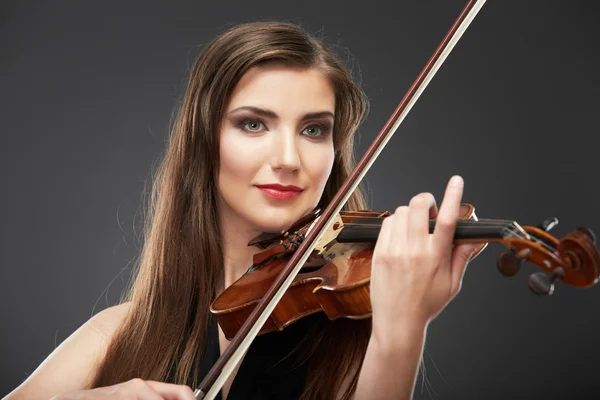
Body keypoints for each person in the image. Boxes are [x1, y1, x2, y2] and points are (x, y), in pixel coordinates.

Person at [4, 21, 480, 400]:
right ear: (204, 141)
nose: (289, 159)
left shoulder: (356, 339)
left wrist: (401, 331)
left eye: (314, 130)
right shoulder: (121, 334)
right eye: (253, 124)